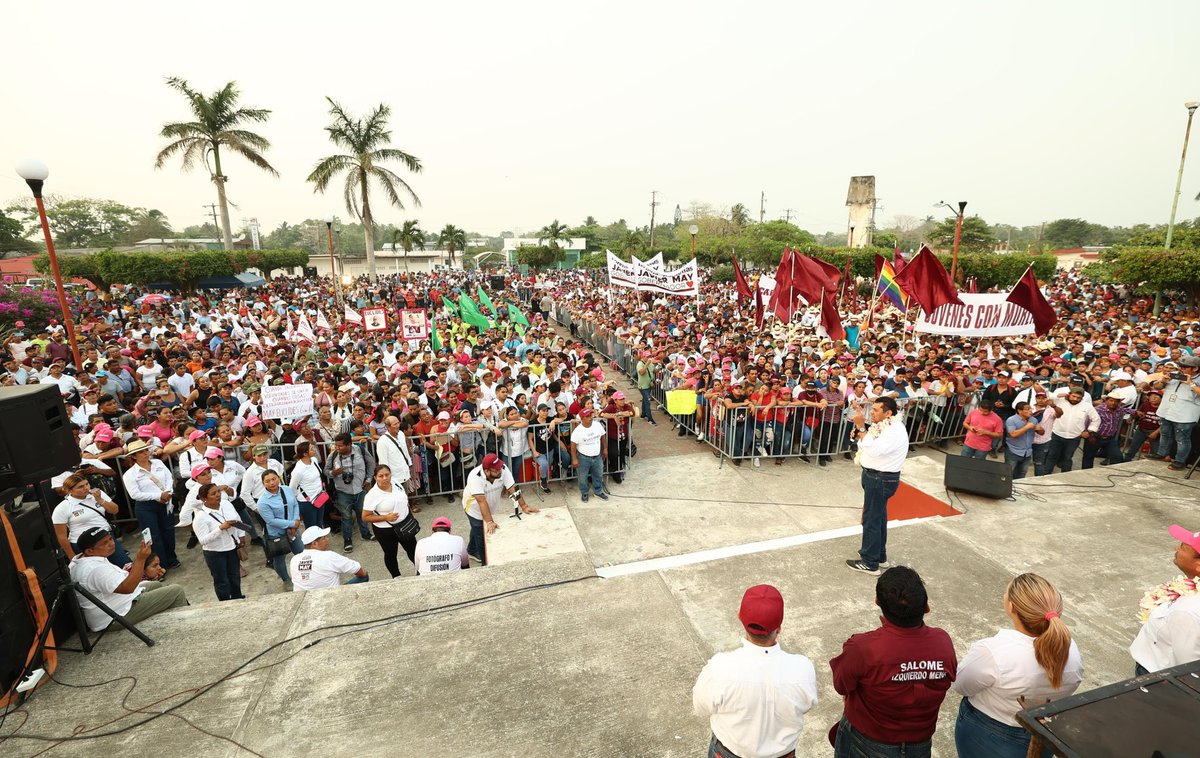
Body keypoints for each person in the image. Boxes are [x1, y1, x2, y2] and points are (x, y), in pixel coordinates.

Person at [830, 567, 957, 758]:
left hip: (867, 742)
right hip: (920, 744)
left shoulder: (863, 648)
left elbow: (841, 685)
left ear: (877, 603)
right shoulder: (943, 643)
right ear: (926, 607)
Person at [952, 573, 1083, 758]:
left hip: (990, 730)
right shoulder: (1071, 649)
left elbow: (961, 685)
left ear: (1011, 607)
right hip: (1044, 732)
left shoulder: (992, 652)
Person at [692, 584, 818, 758]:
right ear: (779, 627)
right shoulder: (802, 668)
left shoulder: (720, 668)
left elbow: (700, 707)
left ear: (739, 616)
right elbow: (807, 704)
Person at [69, 526, 189, 633]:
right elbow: (127, 588)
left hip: (117, 604)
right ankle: (185, 629)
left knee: (155, 585)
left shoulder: (82, 559)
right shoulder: (95, 569)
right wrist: (141, 559)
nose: (111, 543)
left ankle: (172, 621)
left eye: (110, 539)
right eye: (104, 543)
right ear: (89, 551)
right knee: (176, 591)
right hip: (115, 616)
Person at [847, 397, 909, 575]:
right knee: (879, 518)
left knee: (872, 520)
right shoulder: (884, 426)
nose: (871, 413)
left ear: (888, 413)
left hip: (880, 479)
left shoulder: (894, 430)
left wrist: (860, 428)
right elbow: (869, 444)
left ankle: (870, 562)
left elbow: (874, 449)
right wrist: (861, 433)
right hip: (875, 477)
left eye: (875, 410)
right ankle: (879, 556)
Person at [1130, 524, 1200, 674]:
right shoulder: (1190, 595)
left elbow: (1189, 669)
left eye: (1183, 546)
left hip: (1157, 674)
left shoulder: (1186, 611)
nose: (1176, 548)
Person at [461, 453, 538, 565]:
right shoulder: (474, 477)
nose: (500, 471)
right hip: (474, 509)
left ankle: (471, 550)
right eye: (496, 470)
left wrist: (524, 506)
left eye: (500, 468)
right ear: (487, 471)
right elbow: (482, 502)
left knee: (477, 529)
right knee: (481, 533)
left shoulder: (502, 469)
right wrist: (490, 522)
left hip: (489, 506)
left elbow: (512, 488)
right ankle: (485, 563)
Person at [120, 439, 179, 569]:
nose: (145, 453)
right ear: (133, 456)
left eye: (146, 450)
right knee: (153, 537)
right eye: (141, 452)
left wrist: (167, 492)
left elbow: (169, 477)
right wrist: (159, 496)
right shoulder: (130, 474)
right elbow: (134, 494)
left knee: (168, 531)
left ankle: (171, 558)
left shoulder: (157, 462)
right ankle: (159, 564)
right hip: (146, 507)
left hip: (165, 502)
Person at [52, 473, 131, 567]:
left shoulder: (98, 494)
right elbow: (61, 536)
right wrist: (72, 557)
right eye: (80, 487)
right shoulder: (62, 508)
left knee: (126, 565)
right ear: (69, 490)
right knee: (101, 574)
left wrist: (100, 499)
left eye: (87, 484)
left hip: (106, 537)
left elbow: (115, 510)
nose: (86, 488)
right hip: (85, 545)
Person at [191, 482, 247, 601]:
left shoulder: (226, 504)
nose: (218, 495)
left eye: (218, 492)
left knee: (235, 576)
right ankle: (224, 603)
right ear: (204, 498)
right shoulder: (200, 517)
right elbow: (203, 540)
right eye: (213, 494)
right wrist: (220, 528)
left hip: (232, 547)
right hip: (215, 552)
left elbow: (238, 519)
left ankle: (237, 597)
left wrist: (241, 536)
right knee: (222, 581)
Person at [1144, 355, 1200, 471]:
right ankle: (1161, 453)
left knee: (1182, 439)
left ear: (1195, 368)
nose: (1181, 369)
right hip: (1167, 410)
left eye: (1185, 367)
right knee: (1165, 434)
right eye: (1180, 366)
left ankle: (1180, 461)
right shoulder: (1175, 375)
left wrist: (1191, 383)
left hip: (1185, 415)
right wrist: (1163, 380)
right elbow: (1156, 386)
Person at [362, 464, 417, 578]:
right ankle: (396, 576)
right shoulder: (371, 495)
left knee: (413, 551)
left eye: (387, 475)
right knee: (391, 554)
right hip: (385, 531)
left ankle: (421, 570)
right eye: (381, 476)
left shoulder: (396, 483)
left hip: (404, 525)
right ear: (375, 478)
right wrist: (386, 517)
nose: (385, 478)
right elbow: (365, 517)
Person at [325, 432, 372, 552]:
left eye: (340, 446)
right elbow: (326, 471)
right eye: (336, 445)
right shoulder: (333, 455)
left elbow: (371, 464)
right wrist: (333, 473)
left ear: (349, 444)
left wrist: (368, 479)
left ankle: (365, 533)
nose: (337, 448)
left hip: (360, 489)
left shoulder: (360, 450)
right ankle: (347, 539)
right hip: (343, 491)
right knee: (346, 516)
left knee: (362, 513)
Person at [257, 470, 303, 584]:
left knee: (301, 553)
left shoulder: (286, 489)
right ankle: (286, 580)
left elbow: (295, 504)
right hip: (276, 534)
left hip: (293, 530)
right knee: (279, 559)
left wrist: (296, 520)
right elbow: (271, 521)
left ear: (278, 478)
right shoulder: (263, 502)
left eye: (274, 479)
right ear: (263, 484)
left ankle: (304, 575)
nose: (272, 482)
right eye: (267, 481)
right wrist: (292, 524)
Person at [290, 526, 369, 591]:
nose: (327, 540)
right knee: (364, 576)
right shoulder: (329, 556)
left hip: (304, 599)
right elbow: (359, 570)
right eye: (324, 538)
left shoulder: (294, 559)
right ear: (314, 543)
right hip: (328, 597)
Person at [1044, 388, 1100, 474]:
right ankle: (1045, 475)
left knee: (1067, 457)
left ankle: (1066, 476)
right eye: (1073, 396)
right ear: (1069, 394)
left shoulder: (1087, 406)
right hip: (1057, 434)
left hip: (1074, 437)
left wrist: (1089, 431)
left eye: (1079, 397)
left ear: (1082, 398)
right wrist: (1058, 395)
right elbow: (1047, 394)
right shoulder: (1059, 401)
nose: (1075, 399)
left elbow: (1096, 419)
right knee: (1052, 456)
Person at [570, 408, 607, 501]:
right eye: (587, 416)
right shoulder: (577, 431)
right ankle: (584, 492)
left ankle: (598, 492)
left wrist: (605, 449)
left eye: (591, 415)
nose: (590, 417)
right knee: (582, 477)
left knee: (598, 474)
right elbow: (573, 446)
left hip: (597, 456)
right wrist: (574, 459)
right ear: (582, 418)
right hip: (583, 458)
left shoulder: (597, 425)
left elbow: (603, 437)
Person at [1003, 402, 1040, 479]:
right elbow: (1013, 434)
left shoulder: (1033, 420)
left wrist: (1040, 429)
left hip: (1027, 452)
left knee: (1022, 474)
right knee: (1008, 473)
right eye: (1027, 409)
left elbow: (1041, 432)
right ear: (1019, 411)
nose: (1030, 411)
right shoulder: (1011, 420)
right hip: (1013, 451)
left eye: (1031, 408)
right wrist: (1027, 427)